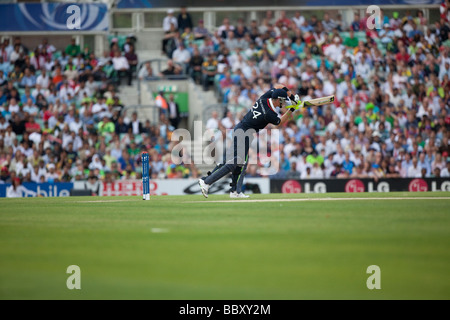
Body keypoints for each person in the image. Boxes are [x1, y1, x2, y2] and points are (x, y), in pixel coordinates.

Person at [198, 85, 302, 198]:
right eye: (283, 101)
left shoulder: (266, 97)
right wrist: (292, 109)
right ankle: (207, 182)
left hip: (243, 131)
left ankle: (235, 191)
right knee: (234, 162)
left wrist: (291, 97)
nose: (283, 103)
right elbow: (280, 122)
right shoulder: (269, 114)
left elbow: (280, 87)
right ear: (278, 100)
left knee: (241, 162)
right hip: (243, 132)